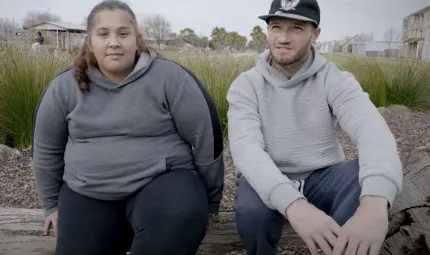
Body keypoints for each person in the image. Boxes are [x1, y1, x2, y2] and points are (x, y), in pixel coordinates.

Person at [31, 1, 224, 255]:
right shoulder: (63, 87)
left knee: (180, 221)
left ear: (137, 38)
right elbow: (45, 152)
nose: (114, 42)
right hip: (88, 190)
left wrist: (211, 201)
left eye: (123, 33)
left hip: (163, 180)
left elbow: (206, 139)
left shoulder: (170, 77)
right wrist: (51, 207)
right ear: (89, 41)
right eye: (103, 34)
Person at [226, 0, 403, 255]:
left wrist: (375, 204)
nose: (283, 38)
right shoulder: (246, 85)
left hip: (322, 176)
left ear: (315, 33)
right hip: (271, 172)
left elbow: (372, 130)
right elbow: (246, 150)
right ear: (268, 30)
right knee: (252, 212)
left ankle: (342, 247)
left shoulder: (334, 79)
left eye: (296, 28)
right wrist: (295, 205)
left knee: (361, 179)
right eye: (276, 27)